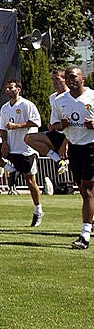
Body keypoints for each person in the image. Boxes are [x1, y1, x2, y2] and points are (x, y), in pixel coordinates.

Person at [0, 80, 43, 226]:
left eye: (11, 88)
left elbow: (37, 122)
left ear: (18, 89)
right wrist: (4, 142)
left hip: (26, 149)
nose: (8, 90)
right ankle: (10, 169)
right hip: (10, 147)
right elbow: (2, 128)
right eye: (6, 88)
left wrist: (17, 126)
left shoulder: (27, 105)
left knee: (30, 181)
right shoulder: (4, 108)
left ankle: (38, 210)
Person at [49, 66, 94, 249]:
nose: (70, 80)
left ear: (83, 78)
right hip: (75, 148)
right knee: (83, 191)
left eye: (74, 76)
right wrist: (62, 124)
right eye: (67, 77)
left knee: (88, 189)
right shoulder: (60, 101)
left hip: (92, 146)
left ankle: (84, 235)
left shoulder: (92, 96)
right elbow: (54, 126)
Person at [25, 69, 70, 174]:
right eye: (52, 79)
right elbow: (56, 116)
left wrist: (65, 143)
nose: (54, 82)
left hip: (70, 136)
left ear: (65, 80)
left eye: (57, 79)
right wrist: (51, 124)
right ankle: (59, 160)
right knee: (29, 138)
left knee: (82, 181)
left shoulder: (70, 96)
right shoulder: (52, 97)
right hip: (57, 133)